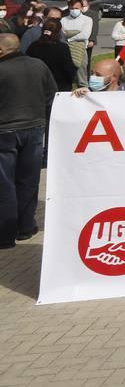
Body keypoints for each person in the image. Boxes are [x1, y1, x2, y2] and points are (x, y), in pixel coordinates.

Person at [0, 33, 57, 249]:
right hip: (34, 129)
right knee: (29, 181)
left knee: (5, 184)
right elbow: (52, 94)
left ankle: (5, 235)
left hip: (5, 131)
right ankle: (25, 227)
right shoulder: (38, 65)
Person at [25, 19, 78, 92]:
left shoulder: (33, 46)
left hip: (38, 86)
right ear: (59, 32)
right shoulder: (62, 48)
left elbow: (27, 65)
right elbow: (69, 69)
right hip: (59, 87)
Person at [62, 0, 94, 89]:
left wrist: (69, 37)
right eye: (72, 8)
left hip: (80, 48)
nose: (74, 10)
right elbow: (62, 34)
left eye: (76, 8)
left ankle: (83, 88)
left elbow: (84, 35)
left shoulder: (87, 20)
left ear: (81, 8)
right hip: (66, 48)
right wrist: (76, 33)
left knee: (81, 71)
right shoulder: (63, 20)